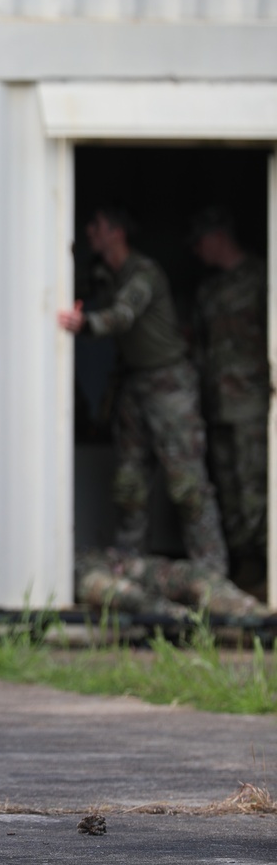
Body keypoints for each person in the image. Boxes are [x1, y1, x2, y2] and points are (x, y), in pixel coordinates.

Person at [57, 207, 228, 574]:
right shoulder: (108, 274)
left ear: (116, 233)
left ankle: (212, 574)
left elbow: (123, 315)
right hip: (135, 383)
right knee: (129, 483)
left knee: (187, 483)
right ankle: (130, 569)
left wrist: (85, 323)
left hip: (170, 384)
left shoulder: (142, 273)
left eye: (97, 226)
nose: (90, 231)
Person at [191, 207, 270, 593]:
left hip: (252, 403)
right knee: (227, 488)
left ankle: (264, 567)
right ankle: (245, 566)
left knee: (254, 486)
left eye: (200, 240)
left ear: (219, 237)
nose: (196, 249)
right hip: (218, 403)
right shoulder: (208, 290)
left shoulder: (260, 277)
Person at [76, 547, 262, 623]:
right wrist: (183, 617)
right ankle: (195, 623)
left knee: (193, 576)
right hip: (85, 572)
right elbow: (127, 596)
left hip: (112, 562)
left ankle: (256, 613)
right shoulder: (80, 574)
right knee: (129, 596)